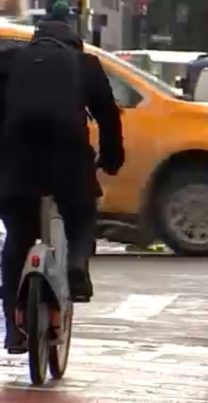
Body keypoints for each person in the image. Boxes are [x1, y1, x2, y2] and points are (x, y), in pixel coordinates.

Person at [0, 0, 123, 353]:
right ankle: (77, 265)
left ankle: (12, 328)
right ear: (74, 35)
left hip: (19, 162)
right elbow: (108, 117)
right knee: (81, 213)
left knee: (17, 240)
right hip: (68, 158)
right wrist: (112, 159)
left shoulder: (11, 61)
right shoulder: (85, 64)